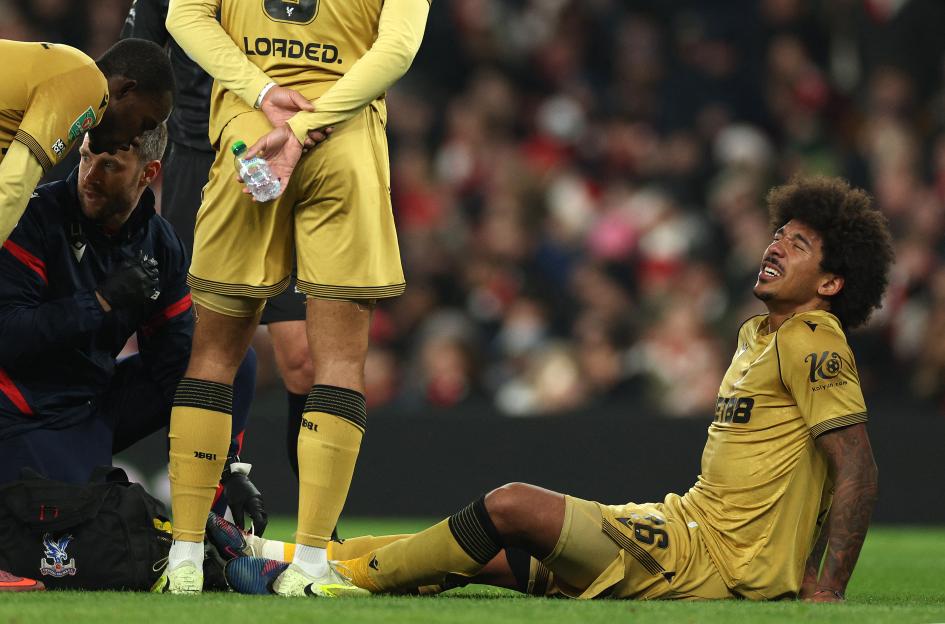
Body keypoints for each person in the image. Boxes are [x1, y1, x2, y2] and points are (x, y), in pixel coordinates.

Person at [227, 176, 892, 602]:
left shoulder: (813, 336)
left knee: (512, 505)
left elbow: (856, 466)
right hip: (684, 529)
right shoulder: (757, 336)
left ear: (830, 283)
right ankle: (262, 552)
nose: (775, 246)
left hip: (714, 560)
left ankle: (330, 582)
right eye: (778, 233)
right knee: (486, 554)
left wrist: (825, 588)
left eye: (798, 244)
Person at [159, 0, 431, 595]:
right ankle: (310, 563)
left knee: (212, 356)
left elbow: (184, 17)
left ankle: (184, 556)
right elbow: (397, 48)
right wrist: (310, 125)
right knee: (338, 363)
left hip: (248, 140)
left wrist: (262, 93)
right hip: (345, 142)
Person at [0, 127, 264, 530]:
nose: (89, 175)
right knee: (76, 534)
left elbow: (177, 362)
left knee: (230, 360)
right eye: (86, 157)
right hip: (26, 409)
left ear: (148, 172)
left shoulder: (159, 242)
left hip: (94, 401)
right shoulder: (33, 215)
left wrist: (226, 463)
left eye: (108, 165)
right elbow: (8, 335)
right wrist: (100, 301)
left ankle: (210, 527)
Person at [121, 0, 316, 483]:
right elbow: (134, 60)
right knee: (206, 348)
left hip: (285, 149)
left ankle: (317, 524)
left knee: (304, 359)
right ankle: (212, 497)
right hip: (199, 158)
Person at [0, 37, 175, 245]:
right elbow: (13, 187)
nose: (132, 140)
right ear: (126, 90)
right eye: (144, 124)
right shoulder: (87, 86)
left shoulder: (72, 73)